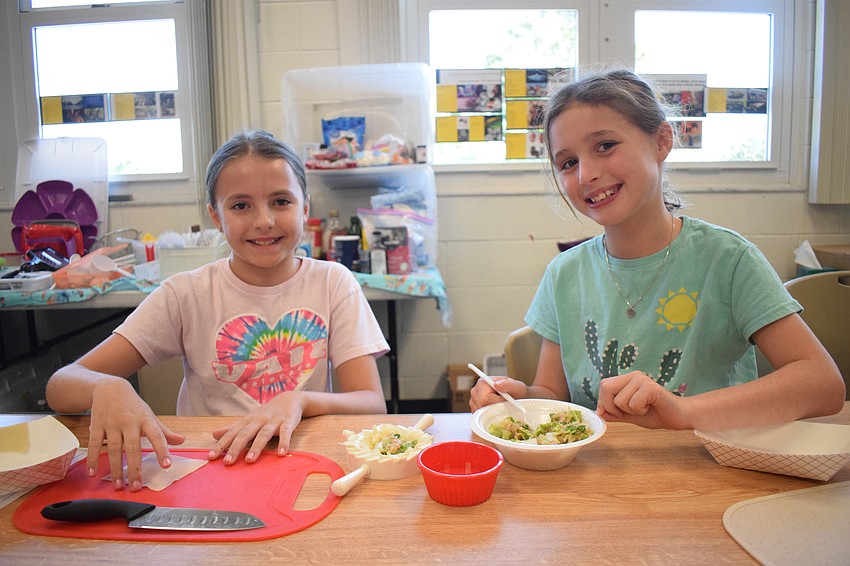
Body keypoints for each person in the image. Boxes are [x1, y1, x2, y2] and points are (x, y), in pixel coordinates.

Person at [470, 69, 845, 431]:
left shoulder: (726, 259)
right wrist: (518, 397)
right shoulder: (564, 274)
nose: (585, 175)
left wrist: (683, 411)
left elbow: (823, 385)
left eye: (605, 146)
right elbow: (553, 393)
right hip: (600, 477)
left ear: (661, 141)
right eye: (568, 163)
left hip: (710, 466)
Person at [46, 130, 389, 491]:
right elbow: (60, 386)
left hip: (305, 463)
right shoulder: (187, 293)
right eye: (240, 205)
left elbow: (370, 403)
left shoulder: (334, 282)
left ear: (305, 208)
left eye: (281, 201)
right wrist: (107, 386)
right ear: (215, 216)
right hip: (208, 471)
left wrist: (298, 400)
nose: (264, 221)